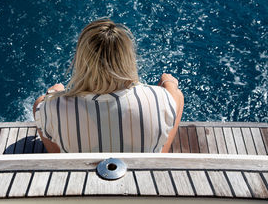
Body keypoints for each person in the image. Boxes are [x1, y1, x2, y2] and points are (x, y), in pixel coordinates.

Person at [33, 18, 184, 153]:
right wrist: (168, 82)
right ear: (126, 59)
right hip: (139, 177)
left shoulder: (52, 107)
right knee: (178, 97)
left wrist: (53, 93)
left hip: (82, 179)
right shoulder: (159, 99)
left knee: (40, 105)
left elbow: (41, 105)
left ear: (82, 60)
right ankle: (158, 158)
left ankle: (64, 163)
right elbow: (174, 97)